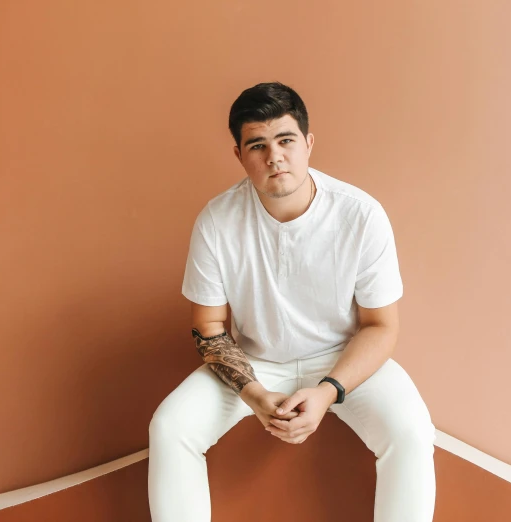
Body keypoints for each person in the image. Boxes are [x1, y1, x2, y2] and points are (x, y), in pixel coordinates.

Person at [147, 82, 436, 522]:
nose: (274, 156)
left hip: (343, 359)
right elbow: (208, 329)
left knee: (412, 430)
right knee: (170, 428)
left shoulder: (361, 215)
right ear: (240, 155)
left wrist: (328, 391)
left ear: (308, 143)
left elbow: (381, 326)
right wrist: (256, 395)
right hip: (256, 363)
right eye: (257, 145)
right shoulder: (216, 221)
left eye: (285, 140)